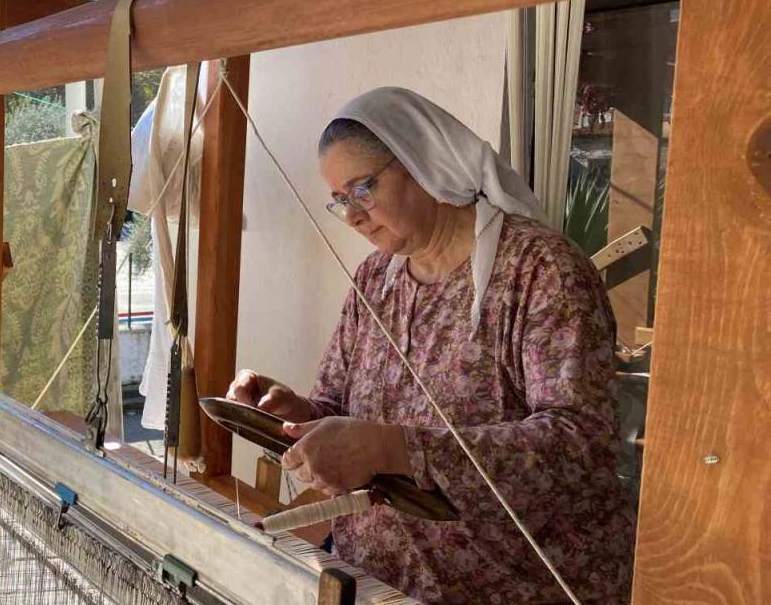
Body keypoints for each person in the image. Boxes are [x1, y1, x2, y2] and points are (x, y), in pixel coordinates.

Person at [226, 87, 636, 603]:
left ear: (425, 161)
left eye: (363, 189)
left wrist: (396, 448)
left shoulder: (541, 271)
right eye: (339, 200)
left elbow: (578, 448)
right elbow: (339, 406)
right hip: (384, 583)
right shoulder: (375, 280)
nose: (351, 215)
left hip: (517, 587)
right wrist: (292, 414)